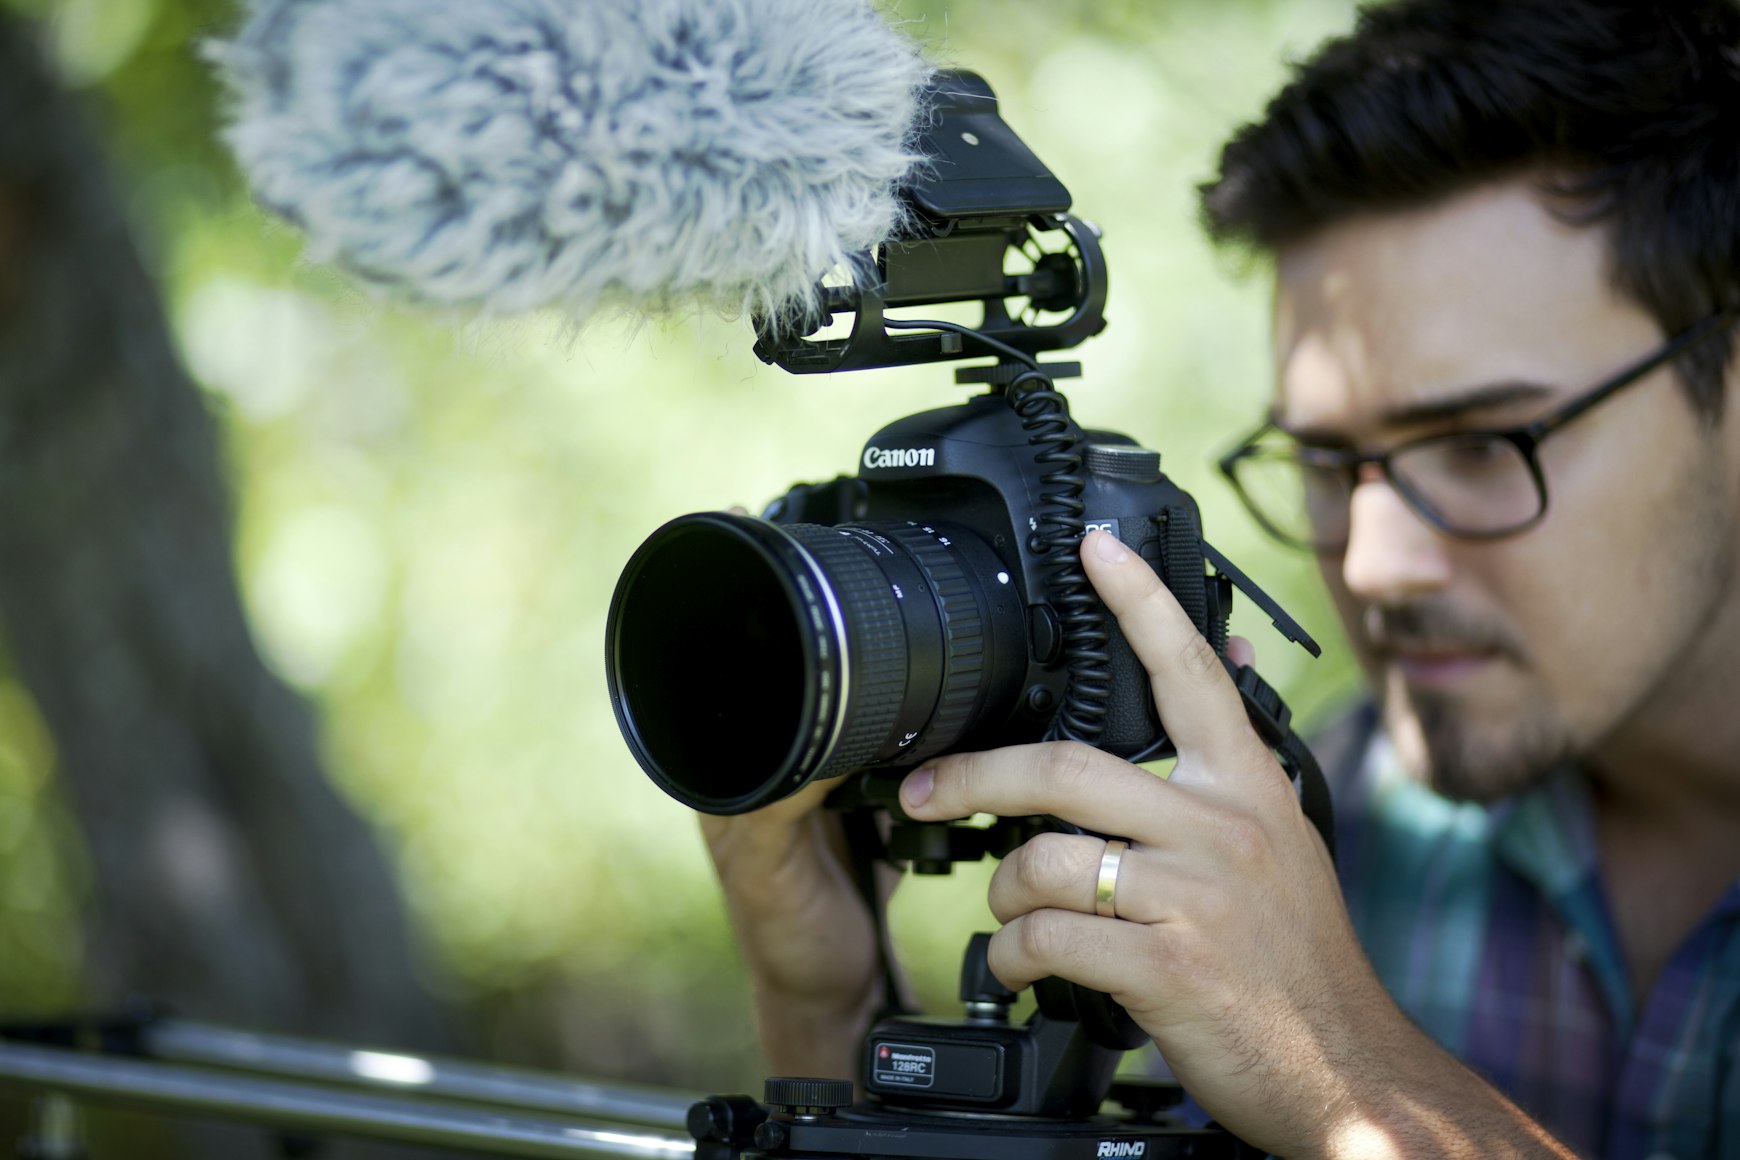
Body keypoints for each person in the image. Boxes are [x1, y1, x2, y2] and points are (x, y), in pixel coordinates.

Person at [701, 0, 1740, 1155]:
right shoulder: (1333, 823)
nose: (1376, 560)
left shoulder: (1298, 887)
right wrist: (833, 1012)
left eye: (1487, 445)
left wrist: (1339, 1065)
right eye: (1327, 459)